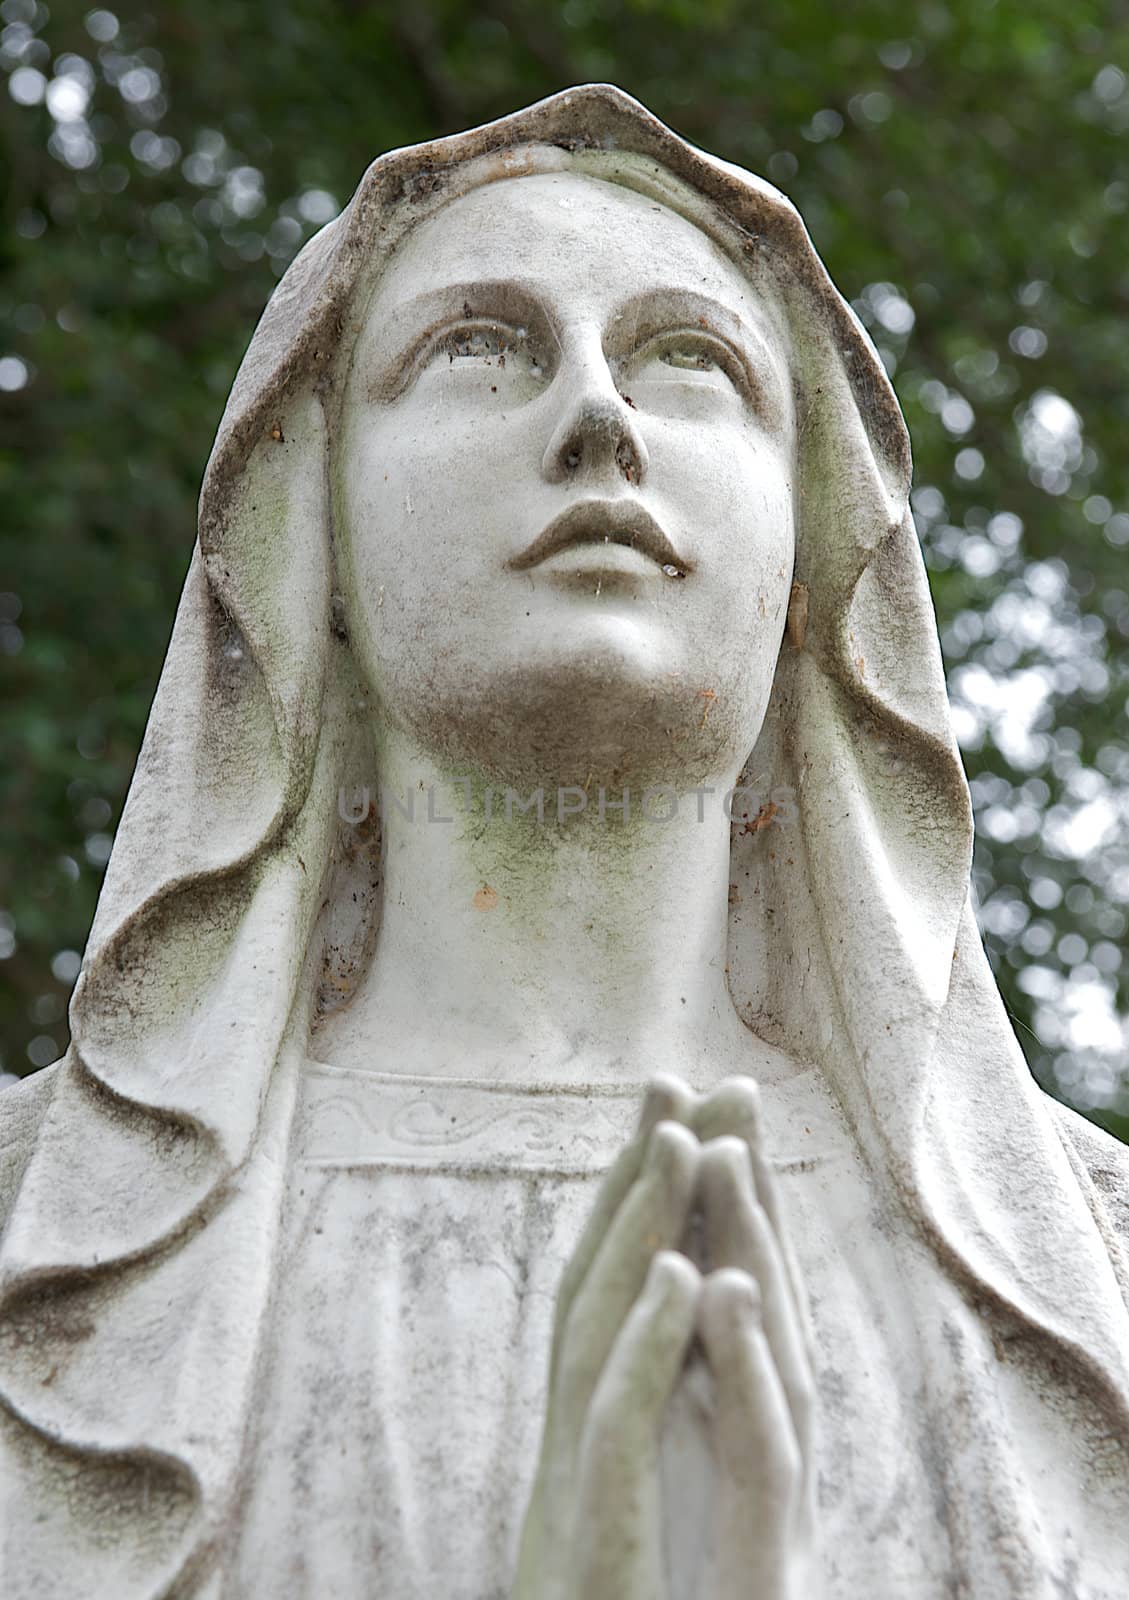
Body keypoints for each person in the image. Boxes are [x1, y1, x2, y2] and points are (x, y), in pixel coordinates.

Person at [1, 84, 1127, 1600]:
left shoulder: (1092, 1273)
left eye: (691, 362)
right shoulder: (43, 1235)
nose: (597, 416)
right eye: (478, 348)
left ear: (808, 560)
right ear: (316, 532)